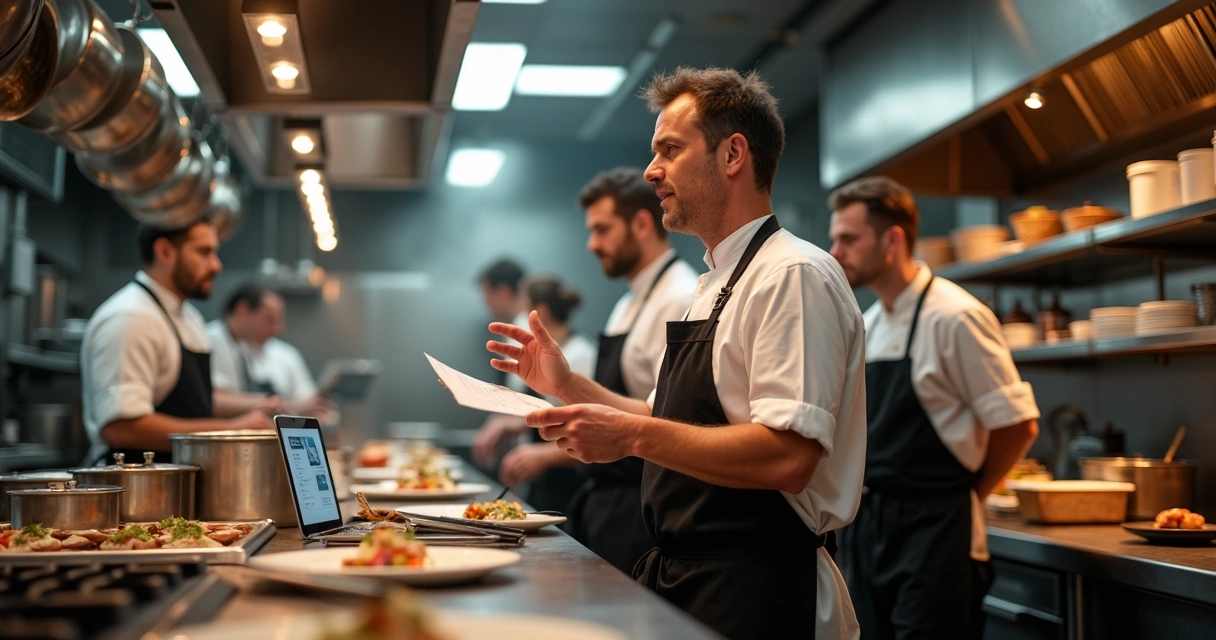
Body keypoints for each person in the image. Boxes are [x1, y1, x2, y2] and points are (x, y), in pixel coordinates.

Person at [486, 67, 866, 640]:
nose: (651, 170)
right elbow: (662, 416)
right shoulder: (717, 281)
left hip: (762, 587)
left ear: (732, 154)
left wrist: (632, 438)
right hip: (697, 578)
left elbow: (788, 457)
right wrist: (568, 386)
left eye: (670, 149)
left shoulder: (792, 274)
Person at [827, 176, 1041, 640]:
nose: (835, 252)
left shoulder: (956, 316)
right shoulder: (869, 323)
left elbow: (1018, 425)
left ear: (892, 240)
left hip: (937, 534)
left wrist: (968, 497)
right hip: (870, 530)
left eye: (848, 239)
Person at [570, 167, 698, 573]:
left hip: (644, 510)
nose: (592, 244)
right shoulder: (626, 304)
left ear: (642, 224)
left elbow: (667, 420)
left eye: (602, 230)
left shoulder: (681, 297)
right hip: (608, 503)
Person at [81, 221, 272, 464]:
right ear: (164, 252)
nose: (216, 265)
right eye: (204, 252)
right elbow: (122, 428)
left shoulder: (190, 318)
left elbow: (196, 403)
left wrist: (262, 408)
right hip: (134, 481)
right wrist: (231, 431)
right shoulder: (131, 318)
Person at [495, 275, 596, 514]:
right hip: (544, 482)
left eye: (524, 310)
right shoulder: (546, 353)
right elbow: (548, 412)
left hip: (569, 484)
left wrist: (543, 456)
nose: (519, 319)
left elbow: (589, 428)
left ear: (539, 312)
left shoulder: (580, 355)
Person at [206, 283, 332, 418]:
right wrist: (281, 405)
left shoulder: (249, 343)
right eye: (269, 320)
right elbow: (215, 400)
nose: (277, 329)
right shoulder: (211, 340)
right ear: (242, 310)